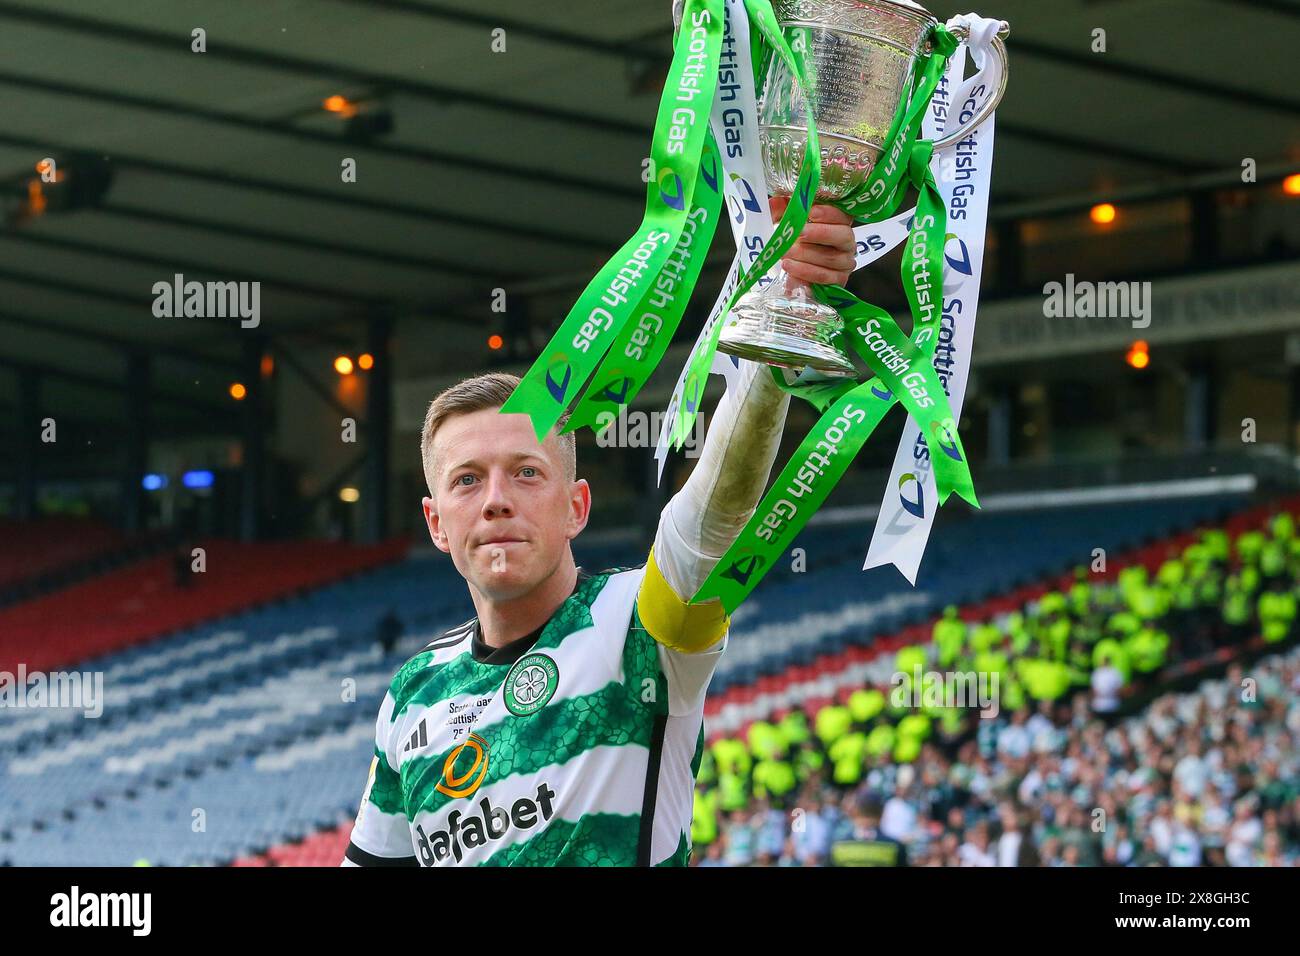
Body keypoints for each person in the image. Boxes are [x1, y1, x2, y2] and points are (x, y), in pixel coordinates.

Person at [341, 205, 859, 867]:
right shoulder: (415, 694)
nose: (497, 500)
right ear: (436, 523)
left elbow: (713, 514)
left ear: (577, 507)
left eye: (527, 474)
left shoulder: (642, 624)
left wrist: (786, 307)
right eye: (467, 480)